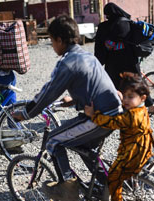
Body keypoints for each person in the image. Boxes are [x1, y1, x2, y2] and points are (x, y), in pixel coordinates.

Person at [11, 15, 122, 201]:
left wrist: (24, 114)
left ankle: (68, 190)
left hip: (98, 116)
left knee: (53, 140)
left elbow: (47, 94)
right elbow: (94, 85)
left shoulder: (67, 63)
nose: (52, 45)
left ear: (59, 40)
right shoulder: (87, 55)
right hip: (114, 112)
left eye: (52, 40)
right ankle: (107, 185)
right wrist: (75, 99)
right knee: (85, 147)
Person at [84, 74, 154, 201]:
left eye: (130, 97)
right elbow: (126, 107)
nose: (125, 100)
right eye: (124, 96)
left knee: (113, 178)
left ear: (143, 98)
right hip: (144, 147)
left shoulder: (131, 117)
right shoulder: (141, 109)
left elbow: (112, 121)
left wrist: (93, 115)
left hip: (132, 152)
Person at [94, 2, 154, 115]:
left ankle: (116, 109)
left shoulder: (104, 27)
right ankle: (151, 105)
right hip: (130, 60)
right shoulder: (127, 23)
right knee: (138, 82)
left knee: (112, 84)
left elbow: (100, 47)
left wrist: (99, 61)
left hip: (112, 62)